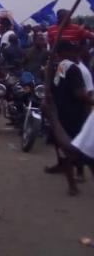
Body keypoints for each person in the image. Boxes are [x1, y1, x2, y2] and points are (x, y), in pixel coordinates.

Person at [49, 41, 91, 195]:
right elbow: (78, 93)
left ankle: (72, 185)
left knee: (68, 150)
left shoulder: (59, 66)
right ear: (66, 52)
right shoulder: (74, 69)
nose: (77, 54)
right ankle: (74, 182)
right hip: (75, 114)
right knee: (86, 149)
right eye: (74, 51)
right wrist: (90, 100)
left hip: (62, 113)